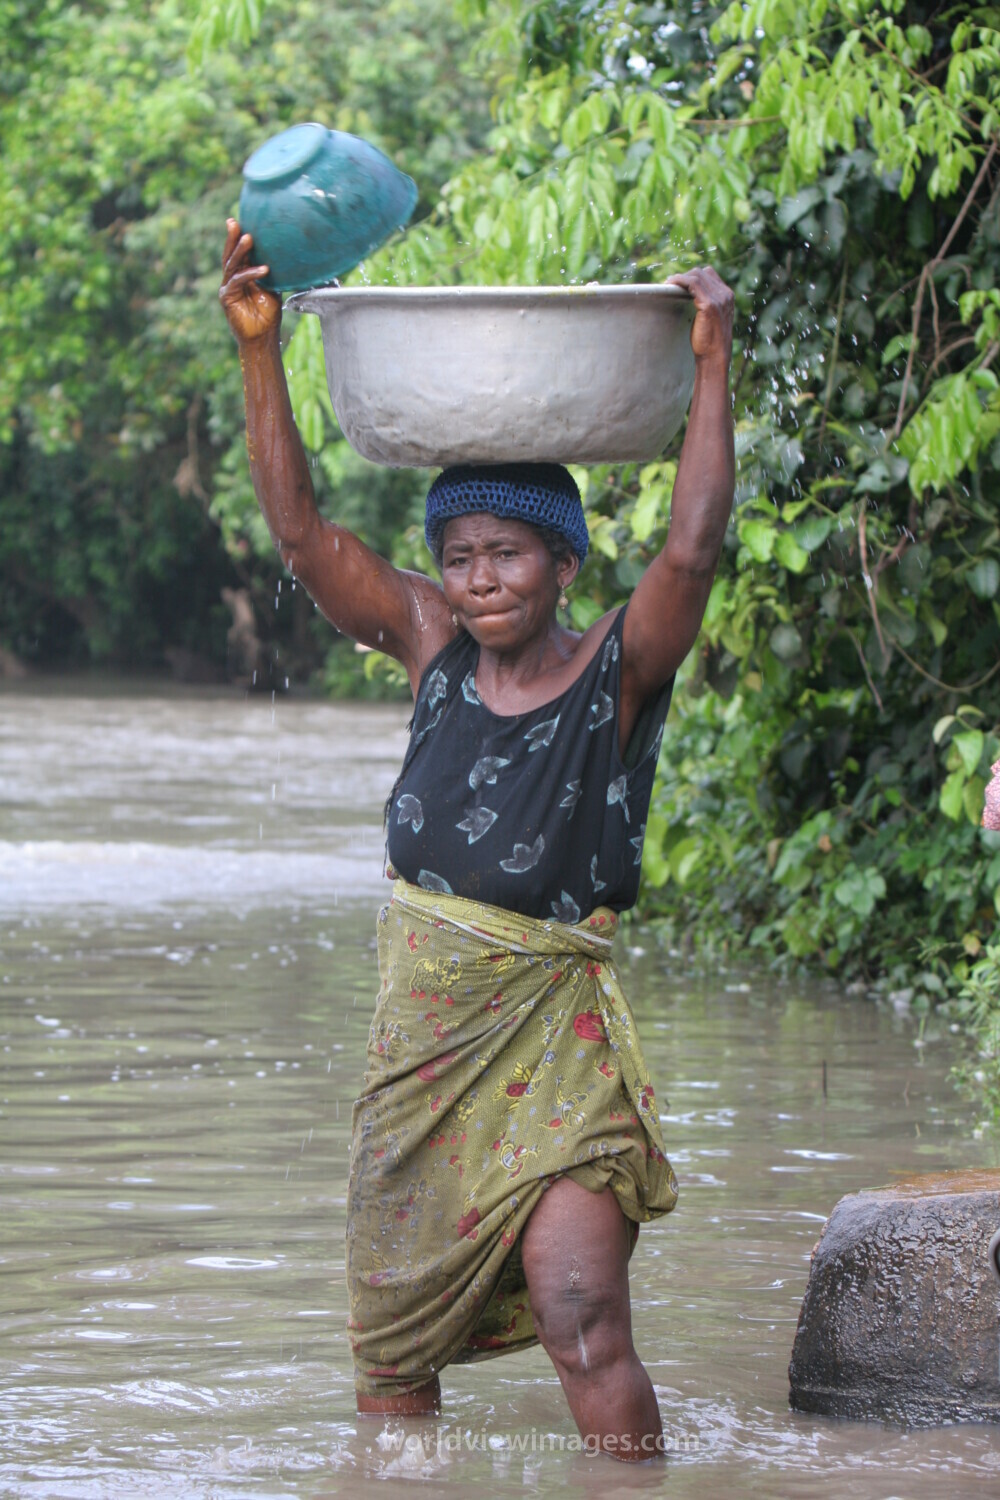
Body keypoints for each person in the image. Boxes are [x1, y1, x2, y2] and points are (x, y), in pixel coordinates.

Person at [220, 217, 735, 1461]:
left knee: (581, 1310)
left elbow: (693, 545)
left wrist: (712, 358)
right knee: (392, 1351)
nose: (479, 578)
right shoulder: (432, 648)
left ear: (562, 564)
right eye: (457, 557)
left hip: (554, 1048)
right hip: (421, 1057)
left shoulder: (614, 675)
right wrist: (259, 351)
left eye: (506, 553)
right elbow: (301, 539)